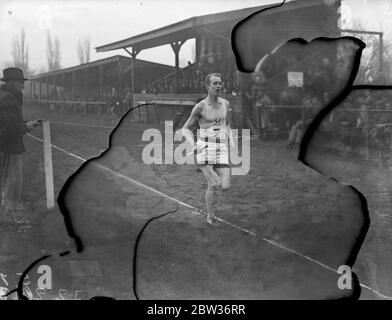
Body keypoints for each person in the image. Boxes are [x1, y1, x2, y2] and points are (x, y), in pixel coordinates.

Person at [182, 73, 235, 226]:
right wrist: (194, 145)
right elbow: (185, 129)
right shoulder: (200, 107)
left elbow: (227, 123)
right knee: (213, 184)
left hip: (221, 149)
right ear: (207, 86)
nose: (219, 86)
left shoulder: (226, 103)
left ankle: (216, 190)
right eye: (215, 83)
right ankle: (210, 216)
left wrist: (230, 138)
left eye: (220, 83)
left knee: (225, 186)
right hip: (205, 148)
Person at [0, 67, 42, 222]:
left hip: (3, 146)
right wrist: (29, 126)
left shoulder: (4, 96)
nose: (23, 86)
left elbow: (10, 122)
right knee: (12, 182)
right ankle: (8, 218)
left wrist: (28, 123)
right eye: (20, 82)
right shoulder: (9, 99)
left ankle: (5, 213)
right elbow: (11, 128)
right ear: (11, 83)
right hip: (10, 147)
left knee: (4, 181)